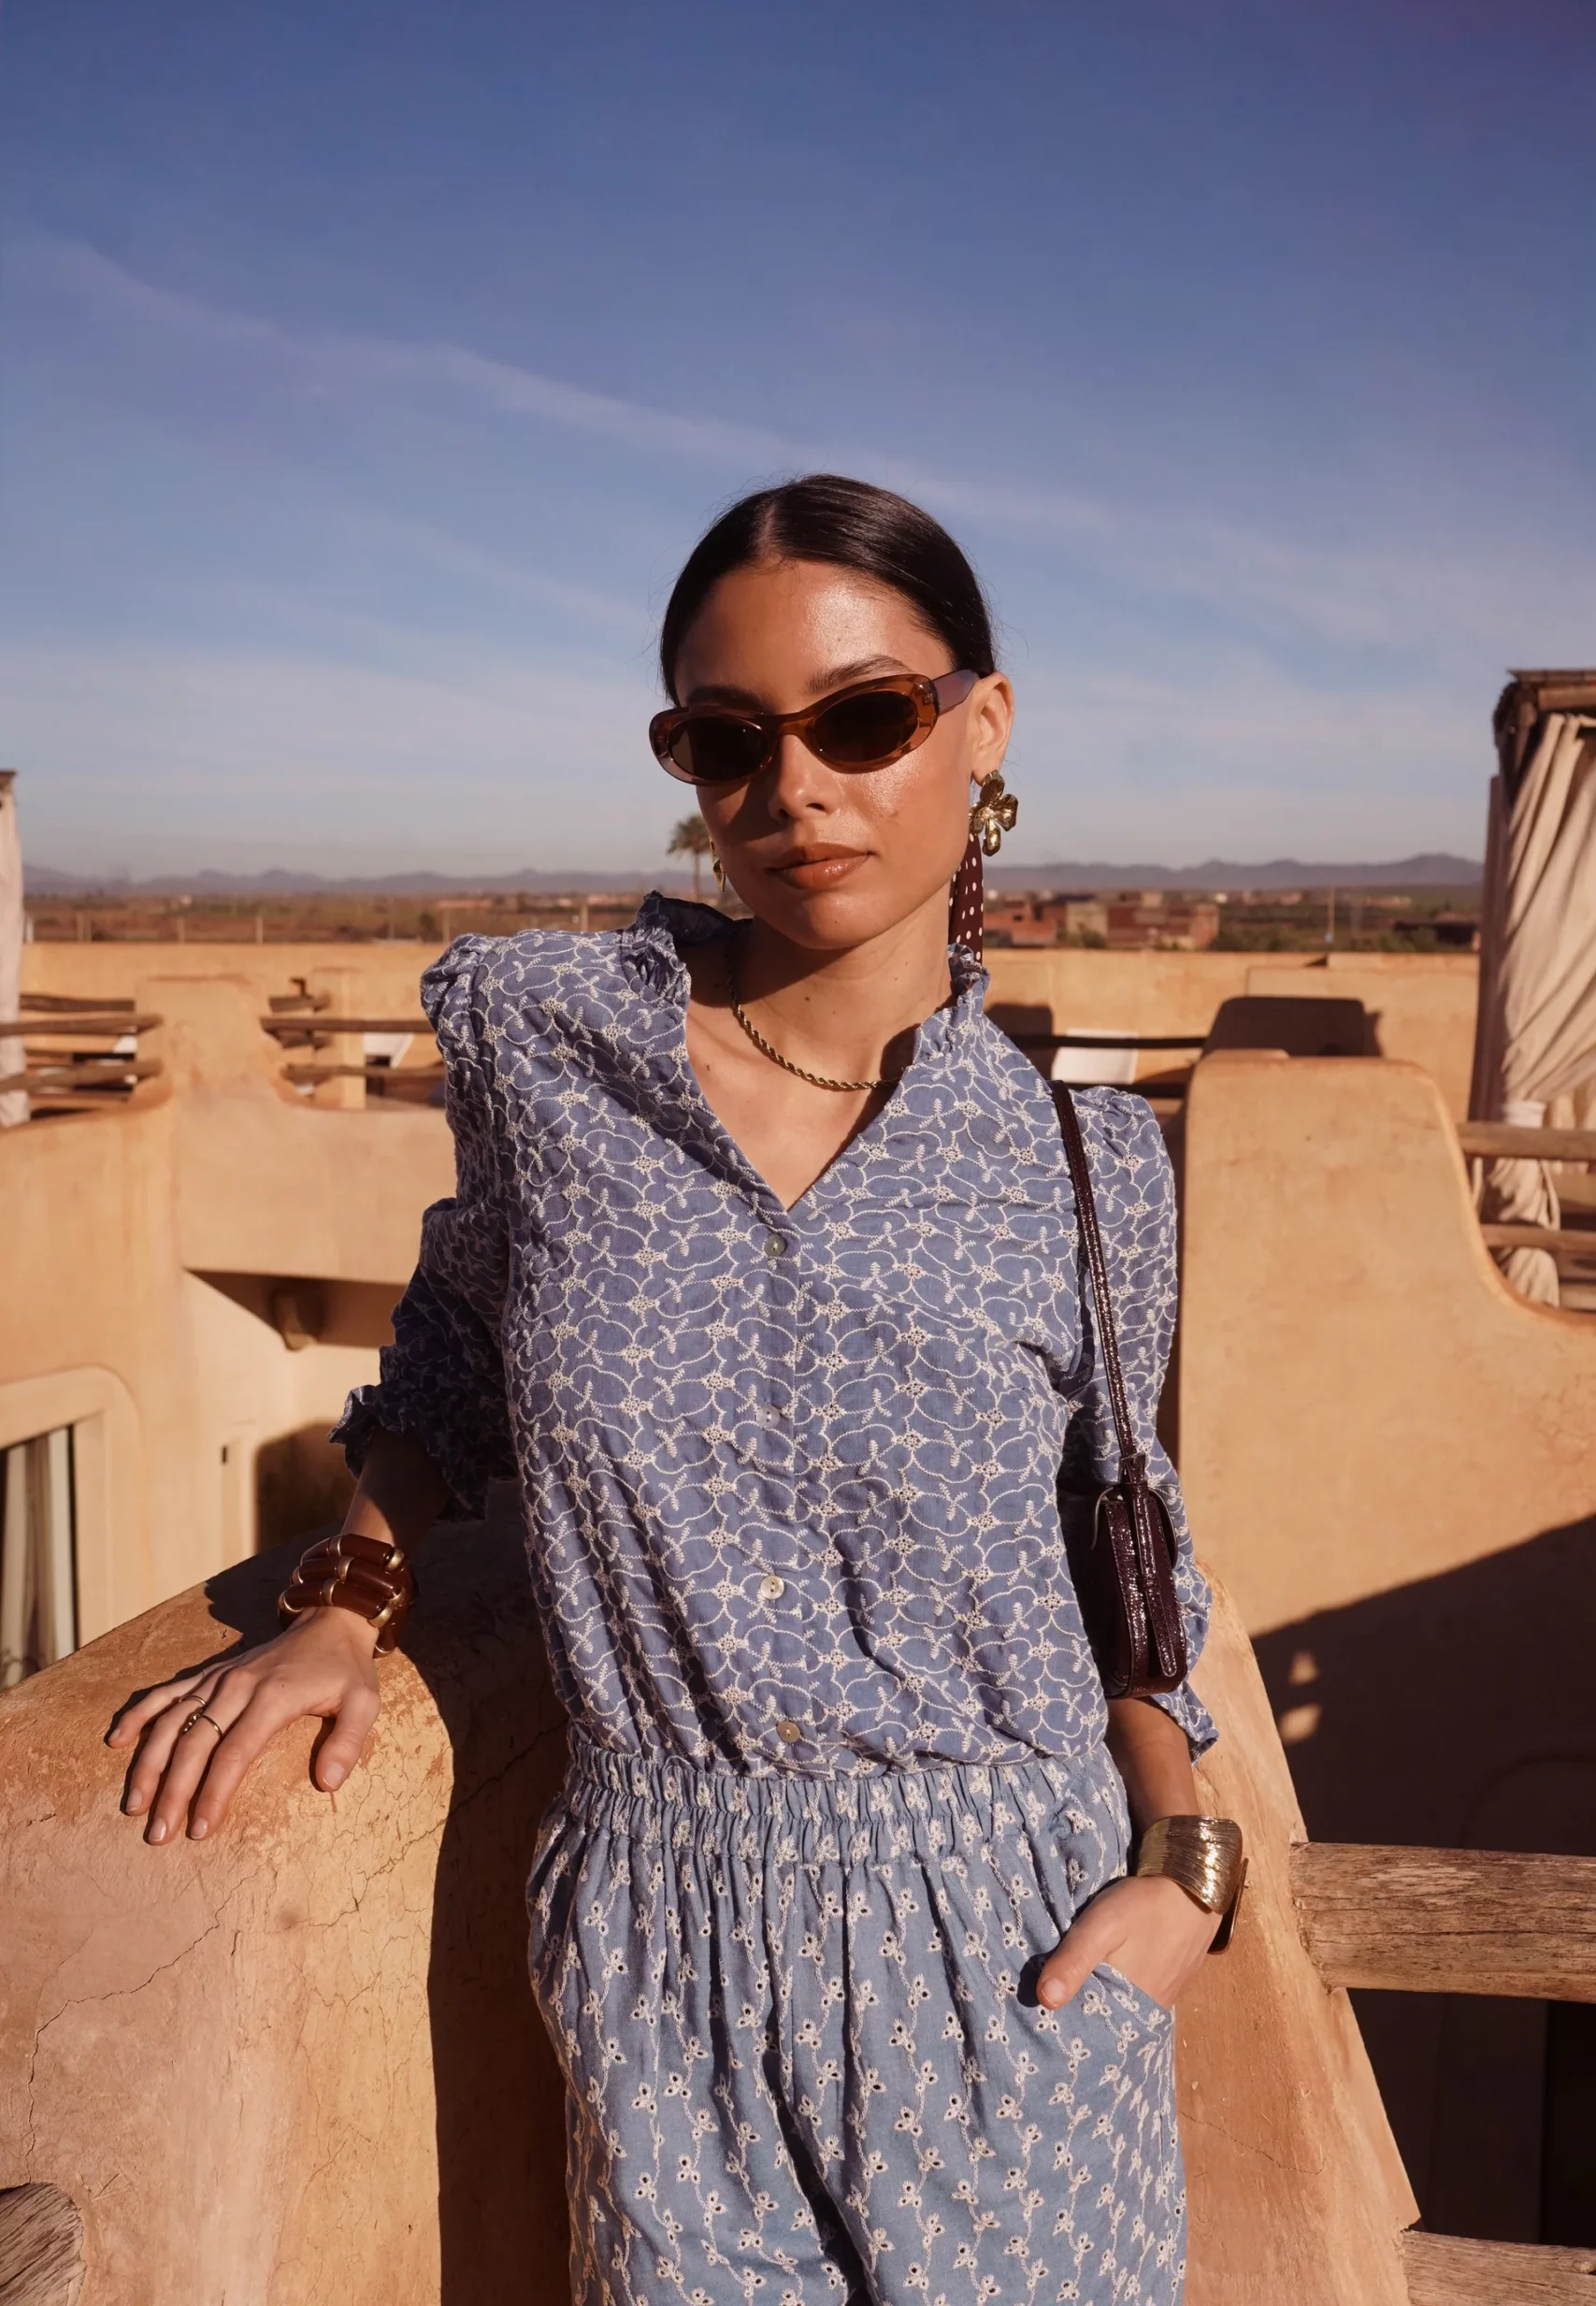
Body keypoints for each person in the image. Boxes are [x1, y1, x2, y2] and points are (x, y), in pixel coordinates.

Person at [109, 475, 1240, 2306]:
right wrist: (344, 1603)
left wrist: (1185, 1861)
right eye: (726, 739)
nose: (793, 788)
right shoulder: (555, 1058)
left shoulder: (1082, 1162)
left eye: (865, 719)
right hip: (657, 1927)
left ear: (982, 726)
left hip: (1020, 1936)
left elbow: (1124, 1542)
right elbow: (455, 1357)